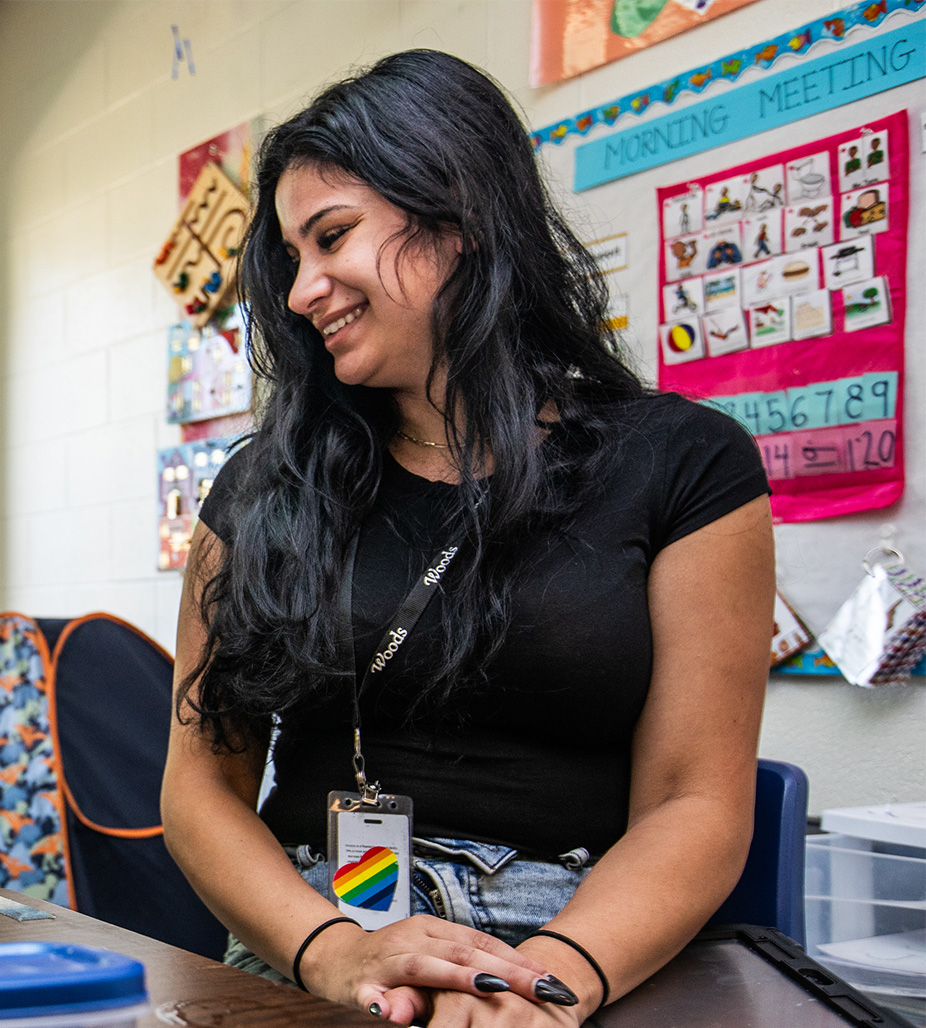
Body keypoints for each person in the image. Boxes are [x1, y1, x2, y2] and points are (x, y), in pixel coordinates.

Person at [161, 51, 772, 1027]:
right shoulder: (256, 490)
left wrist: (543, 981)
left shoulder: (686, 464)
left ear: (460, 220)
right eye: (291, 259)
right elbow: (200, 789)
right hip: (315, 920)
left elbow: (694, 804)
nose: (300, 290)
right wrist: (333, 948)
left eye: (332, 238)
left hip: (571, 928)